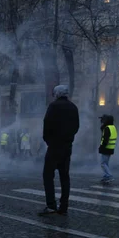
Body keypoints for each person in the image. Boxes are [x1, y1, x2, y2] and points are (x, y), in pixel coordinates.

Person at [39, 85, 79, 216]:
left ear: (57, 94)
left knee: (48, 175)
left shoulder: (53, 106)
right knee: (64, 176)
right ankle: (64, 206)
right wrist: (69, 139)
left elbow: (47, 124)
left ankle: (51, 205)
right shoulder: (73, 107)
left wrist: (49, 141)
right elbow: (76, 126)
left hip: (54, 146)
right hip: (67, 146)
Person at [98, 114, 117, 184]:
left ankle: (109, 176)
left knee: (103, 163)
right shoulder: (113, 127)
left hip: (106, 148)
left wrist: (101, 147)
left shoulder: (107, 128)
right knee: (106, 163)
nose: (102, 121)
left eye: (103, 120)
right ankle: (106, 176)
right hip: (110, 148)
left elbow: (105, 139)